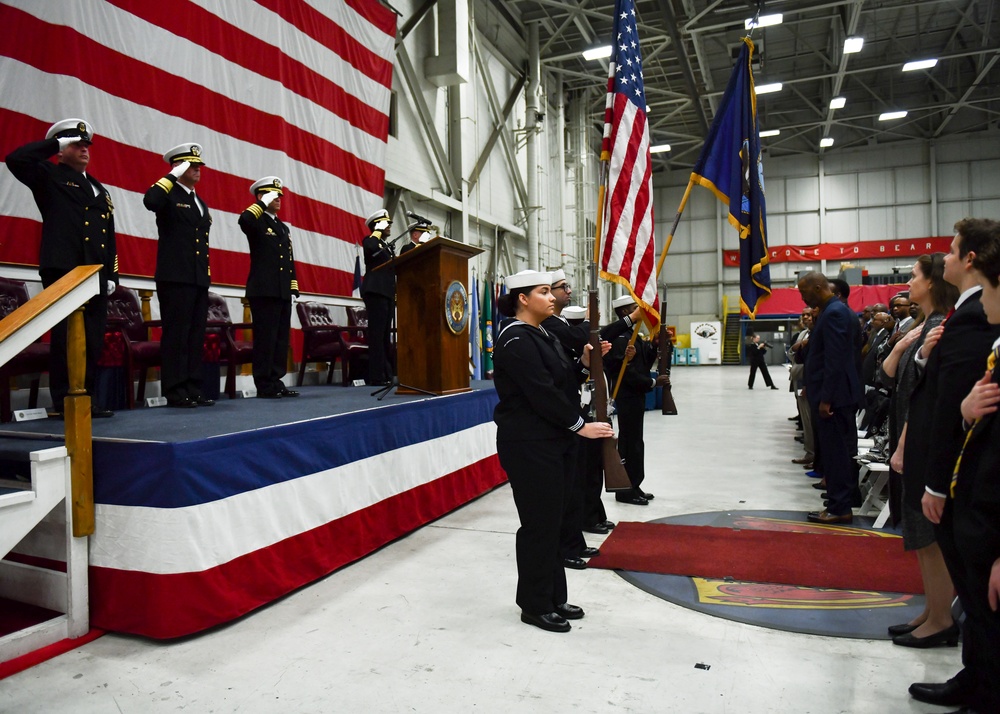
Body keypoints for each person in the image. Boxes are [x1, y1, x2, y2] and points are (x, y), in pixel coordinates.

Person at [904, 218, 1000, 711]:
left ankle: (983, 684)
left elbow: (953, 407)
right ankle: (976, 675)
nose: (943, 258)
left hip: (970, 478)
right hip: (957, 468)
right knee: (974, 589)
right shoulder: (966, 313)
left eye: (952, 250)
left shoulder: (976, 317)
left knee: (980, 592)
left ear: (972, 260)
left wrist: (938, 484)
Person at [492, 270, 613, 633]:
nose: (552, 297)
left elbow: (561, 381)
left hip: (552, 440)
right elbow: (541, 393)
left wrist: (583, 363)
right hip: (530, 444)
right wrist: (580, 426)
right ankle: (534, 603)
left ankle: (553, 596)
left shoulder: (541, 334)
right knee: (539, 525)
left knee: (556, 523)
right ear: (522, 299)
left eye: (550, 291)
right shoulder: (516, 339)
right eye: (543, 292)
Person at [5, 118, 118, 418]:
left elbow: (108, 234)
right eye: (76, 144)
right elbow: (16, 159)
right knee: (66, 336)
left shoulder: (99, 190)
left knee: (92, 339)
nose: (84, 149)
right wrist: (56, 143)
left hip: (94, 273)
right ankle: (65, 400)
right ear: (62, 149)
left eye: (86, 145)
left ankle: (87, 398)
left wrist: (112, 274)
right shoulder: (49, 176)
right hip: (65, 269)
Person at [878, 254, 958, 647]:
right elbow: (889, 375)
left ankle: (942, 617)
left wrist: (906, 444)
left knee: (928, 536)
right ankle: (932, 608)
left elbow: (925, 395)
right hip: (907, 434)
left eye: (914, 277)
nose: (908, 283)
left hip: (921, 439)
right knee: (916, 534)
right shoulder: (920, 325)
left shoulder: (942, 327)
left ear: (932, 282)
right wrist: (902, 345)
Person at [143, 143, 213, 408]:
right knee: (177, 335)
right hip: (175, 276)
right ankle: (175, 390)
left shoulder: (198, 201)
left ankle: (193, 388)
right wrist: (171, 176)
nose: (196, 169)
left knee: (196, 336)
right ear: (178, 166)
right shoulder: (168, 194)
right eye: (190, 165)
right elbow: (150, 201)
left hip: (197, 277)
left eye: (197, 165)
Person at [541, 271, 600, 569]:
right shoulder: (535, 333)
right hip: (557, 425)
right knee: (562, 493)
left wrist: (586, 366)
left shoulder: (553, 330)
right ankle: (565, 547)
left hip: (570, 417)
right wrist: (577, 423)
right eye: (549, 291)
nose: (559, 295)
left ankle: (573, 542)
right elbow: (547, 390)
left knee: (575, 485)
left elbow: (570, 375)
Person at [797, 271, 863, 524]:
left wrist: (826, 399)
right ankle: (838, 501)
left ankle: (840, 507)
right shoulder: (833, 310)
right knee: (836, 453)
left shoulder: (834, 313)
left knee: (837, 454)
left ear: (817, 287)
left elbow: (835, 360)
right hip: (835, 395)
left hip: (835, 398)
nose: (802, 298)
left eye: (804, 292)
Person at [601, 295, 670, 506]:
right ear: (624, 313)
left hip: (636, 396)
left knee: (636, 442)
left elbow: (642, 365)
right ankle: (625, 489)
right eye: (633, 308)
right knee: (629, 443)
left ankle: (634, 483)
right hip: (627, 396)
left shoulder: (634, 336)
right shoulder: (620, 338)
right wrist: (652, 383)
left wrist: (654, 347)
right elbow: (626, 373)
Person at [238, 176, 299, 399]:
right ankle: (264, 383)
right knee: (266, 338)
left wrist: (293, 286)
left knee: (281, 338)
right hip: (263, 289)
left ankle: (276, 380)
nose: (279, 199)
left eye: (280, 195)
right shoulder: (257, 221)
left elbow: (288, 259)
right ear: (262, 197)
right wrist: (261, 203)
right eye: (274, 195)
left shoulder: (281, 227)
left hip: (282, 290)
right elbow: (244, 220)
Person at [361, 209, 395, 386]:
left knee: (384, 336)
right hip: (375, 291)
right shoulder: (371, 241)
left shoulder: (386, 246)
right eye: (385, 223)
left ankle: (386, 373)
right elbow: (370, 248)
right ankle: (376, 376)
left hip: (387, 292)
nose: (389, 226)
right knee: (377, 334)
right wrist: (376, 231)